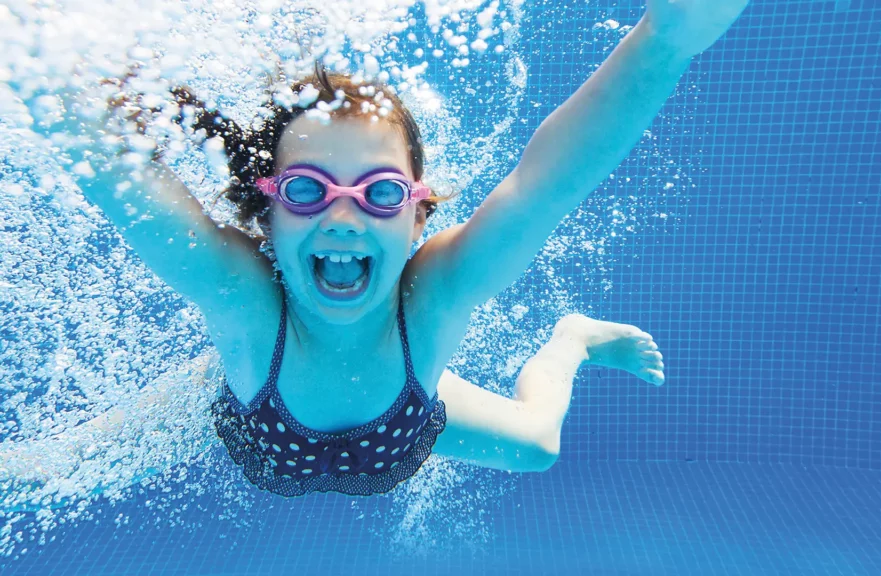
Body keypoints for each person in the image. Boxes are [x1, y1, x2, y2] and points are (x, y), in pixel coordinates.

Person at [4, 0, 749, 498]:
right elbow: (117, 184)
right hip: (240, 402)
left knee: (539, 445)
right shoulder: (243, 302)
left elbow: (544, 187)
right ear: (266, 217)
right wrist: (33, 57)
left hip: (407, 408)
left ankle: (573, 339)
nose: (345, 216)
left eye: (381, 194)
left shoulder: (436, 299)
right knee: (44, 475)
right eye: (306, 191)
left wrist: (668, 39)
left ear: (417, 219)